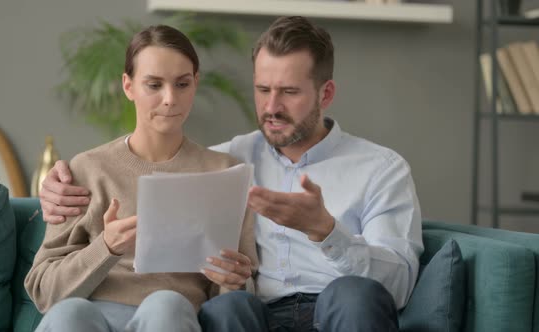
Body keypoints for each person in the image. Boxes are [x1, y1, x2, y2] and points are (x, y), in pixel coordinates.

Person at [39, 16, 423, 332]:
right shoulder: (227, 163)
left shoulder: (380, 169)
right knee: (229, 309)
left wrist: (327, 231)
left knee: (352, 294)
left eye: (289, 91)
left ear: (325, 94)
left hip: (338, 308)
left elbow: (401, 285)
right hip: (255, 314)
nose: (272, 107)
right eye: (262, 90)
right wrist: (56, 183)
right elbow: (168, 163)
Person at [25, 24, 258, 332]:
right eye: (154, 85)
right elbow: (44, 292)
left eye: (182, 84)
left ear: (195, 83)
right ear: (128, 85)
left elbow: (234, 296)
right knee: (71, 315)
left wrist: (234, 281)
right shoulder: (86, 170)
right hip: (89, 318)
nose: (170, 99)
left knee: (166, 303)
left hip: (174, 317)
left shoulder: (224, 173)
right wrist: (106, 247)